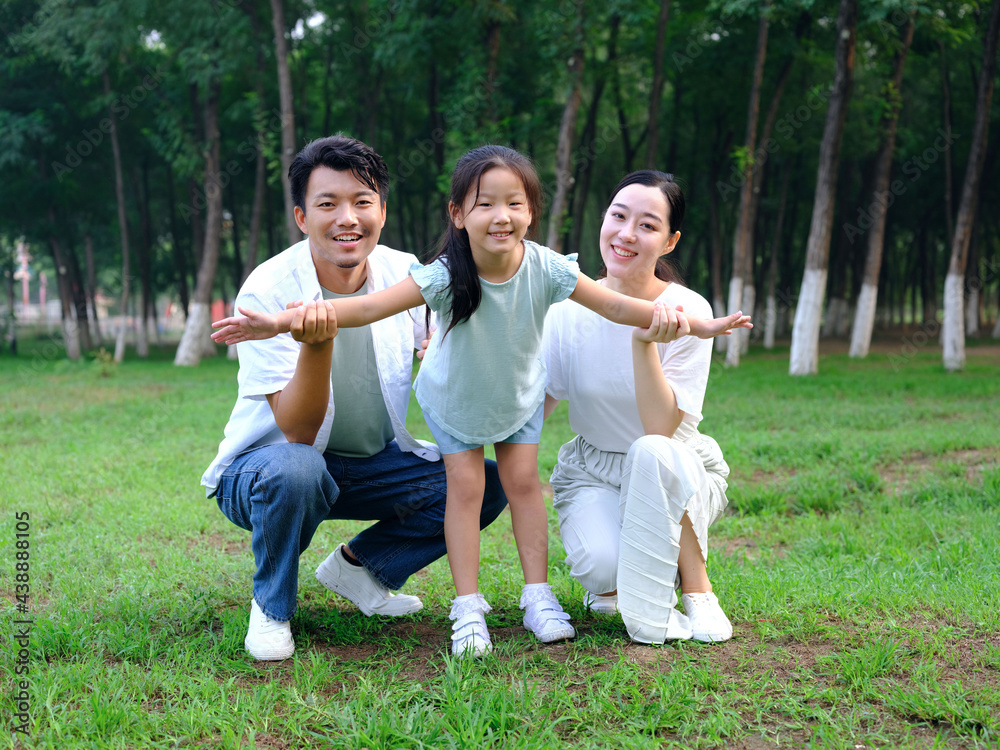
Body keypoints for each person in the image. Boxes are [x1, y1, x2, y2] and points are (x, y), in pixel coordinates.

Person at [213, 146, 751, 657]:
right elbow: (361, 312)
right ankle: (438, 608)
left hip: (505, 403)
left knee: (515, 486)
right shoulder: (430, 275)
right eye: (484, 203)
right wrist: (282, 322)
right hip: (398, 424)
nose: (500, 215)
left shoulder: (540, 268)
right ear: (457, 213)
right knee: (434, 486)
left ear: (532, 212)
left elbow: (615, 307)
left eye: (514, 203)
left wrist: (703, 324)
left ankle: (523, 595)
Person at [202, 135, 509, 662]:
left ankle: (361, 569)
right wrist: (317, 346)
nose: (348, 218)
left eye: (362, 202)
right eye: (328, 204)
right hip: (268, 470)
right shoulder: (269, 288)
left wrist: (445, 354)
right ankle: (272, 608)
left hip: (372, 465)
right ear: (301, 216)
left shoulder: (403, 273)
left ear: (382, 212)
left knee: (485, 483)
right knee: (297, 469)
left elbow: (438, 355)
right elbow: (297, 433)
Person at [543, 170, 735, 645]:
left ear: (669, 242)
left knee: (651, 450)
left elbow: (660, 427)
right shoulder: (566, 309)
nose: (627, 234)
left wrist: (644, 344)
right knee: (601, 568)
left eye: (648, 226)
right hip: (594, 467)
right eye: (618, 216)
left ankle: (696, 590)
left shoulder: (688, 310)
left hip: (673, 463)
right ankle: (624, 575)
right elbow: (536, 406)